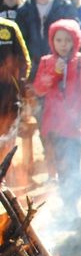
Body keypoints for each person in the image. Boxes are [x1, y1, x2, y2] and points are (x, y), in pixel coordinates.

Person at [32, 19, 81, 217]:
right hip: (54, 123)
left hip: (73, 124)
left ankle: (72, 202)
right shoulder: (46, 61)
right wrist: (54, 72)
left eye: (67, 40)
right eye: (59, 40)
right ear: (52, 41)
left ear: (75, 40)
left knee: (72, 162)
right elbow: (39, 88)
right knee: (59, 163)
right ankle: (67, 202)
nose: (63, 44)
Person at [16, 0, 78, 77]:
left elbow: (75, 38)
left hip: (61, 68)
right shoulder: (24, 10)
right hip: (34, 71)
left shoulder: (64, 6)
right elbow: (20, 45)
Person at [0, 14, 31, 182]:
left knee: (6, 147)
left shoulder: (8, 28)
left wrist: (17, 89)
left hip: (8, 101)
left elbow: (24, 62)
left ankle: (5, 185)